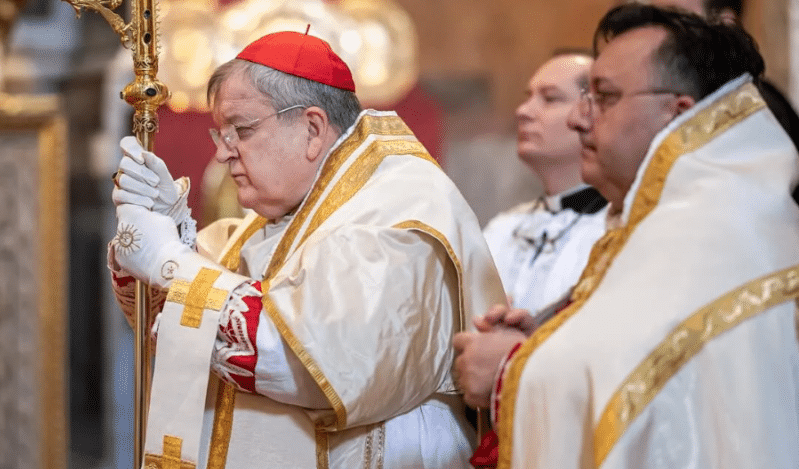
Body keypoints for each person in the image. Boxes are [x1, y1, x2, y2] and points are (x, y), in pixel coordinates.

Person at [454, 3, 799, 468]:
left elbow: (647, 386)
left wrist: (510, 372)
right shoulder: (697, 211)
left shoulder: (712, 228)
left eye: (604, 96)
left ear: (676, 114)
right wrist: (545, 341)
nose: (581, 119)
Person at [108, 30, 506, 468]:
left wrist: (171, 262)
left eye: (241, 129)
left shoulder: (397, 209)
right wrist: (168, 233)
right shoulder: (280, 218)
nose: (224, 154)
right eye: (220, 134)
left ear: (313, 129)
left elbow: (312, 361)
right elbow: (170, 321)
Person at [650, 0, 799, 373]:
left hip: (765, 324)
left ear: (723, 21)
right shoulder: (703, 103)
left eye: (673, 16)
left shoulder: (754, 111)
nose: (656, 34)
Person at [482, 51, 607, 314]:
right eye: (528, 97)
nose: (522, 111)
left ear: (592, 114)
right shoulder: (502, 230)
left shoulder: (615, 230)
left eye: (550, 98)